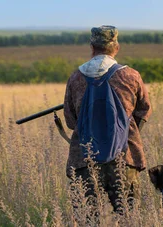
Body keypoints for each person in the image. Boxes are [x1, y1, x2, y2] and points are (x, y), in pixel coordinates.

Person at [63, 25, 152, 214]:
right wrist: (122, 133)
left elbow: (71, 121)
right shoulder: (131, 76)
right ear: (116, 48)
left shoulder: (76, 78)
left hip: (84, 160)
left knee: (87, 219)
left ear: (92, 47)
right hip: (124, 157)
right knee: (128, 217)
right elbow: (144, 110)